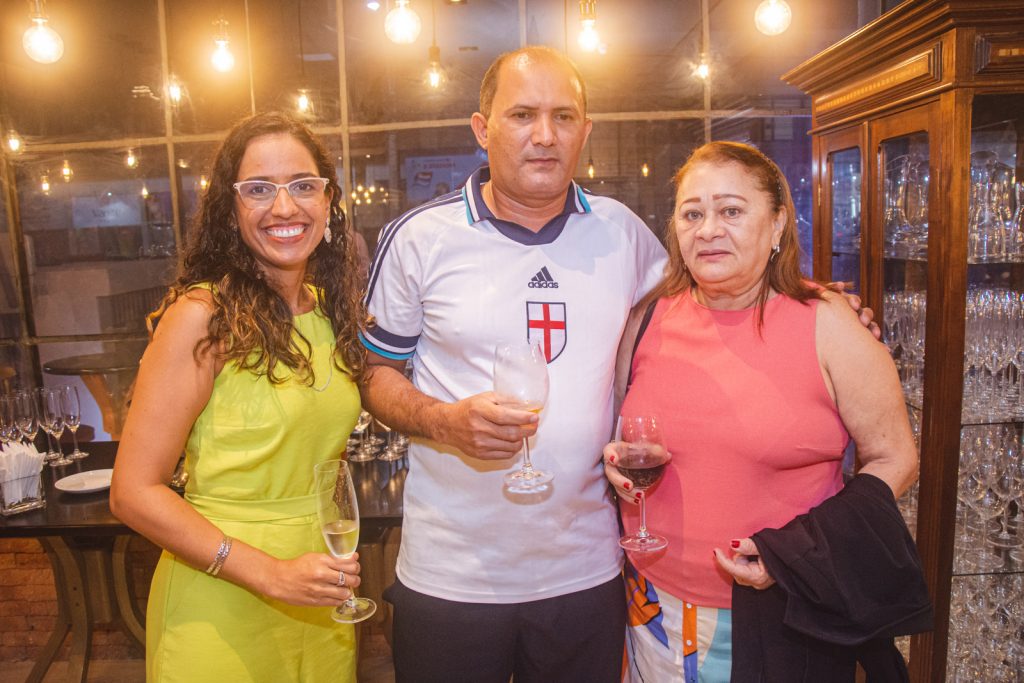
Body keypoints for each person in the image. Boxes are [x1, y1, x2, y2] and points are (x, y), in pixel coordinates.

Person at [359, 45, 665, 682]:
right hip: (451, 576)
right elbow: (372, 375)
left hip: (585, 569)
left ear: (586, 132)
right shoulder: (420, 238)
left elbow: (705, 314)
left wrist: (815, 304)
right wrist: (442, 421)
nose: (545, 136)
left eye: (564, 116)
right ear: (483, 129)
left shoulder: (624, 234)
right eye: (523, 115)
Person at [603, 141, 921, 682]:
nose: (707, 229)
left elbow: (897, 458)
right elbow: (625, 434)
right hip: (651, 604)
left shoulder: (829, 323)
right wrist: (615, 460)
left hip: (781, 610)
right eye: (692, 213)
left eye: (731, 210)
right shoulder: (647, 317)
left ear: (776, 227)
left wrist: (793, 553)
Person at [110, 112, 366, 682]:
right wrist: (269, 573)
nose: (285, 207)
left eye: (303, 185)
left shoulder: (326, 312)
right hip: (220, 601)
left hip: (321, 592)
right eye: (259, 189)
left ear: (328, 201)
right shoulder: (201, 318)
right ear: (231, 211)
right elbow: (132, 492)